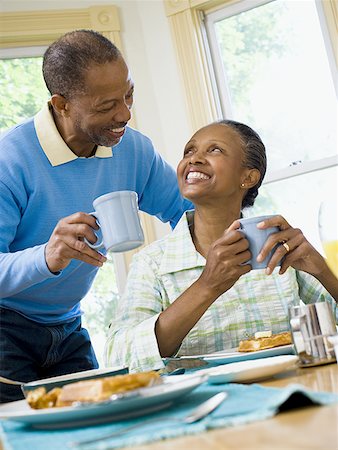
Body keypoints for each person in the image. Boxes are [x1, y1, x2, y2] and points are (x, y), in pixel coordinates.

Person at [0, 29, 191, 403]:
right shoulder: (10, 160)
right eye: (106, 106)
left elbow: (188, 215)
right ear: (62, 104)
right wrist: (47, 256)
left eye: (128, 94)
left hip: (69, 326)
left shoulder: (132, 149)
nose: (124, 113)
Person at [105, 119, 338, 373]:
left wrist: (322, 270)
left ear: (248, 177)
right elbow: (119, 358)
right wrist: (207, 286)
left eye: (214, 150)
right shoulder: (152, 263)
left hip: (291, 391)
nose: (194, 159)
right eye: (189, 151)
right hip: (201, 407)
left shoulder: (278, 245)